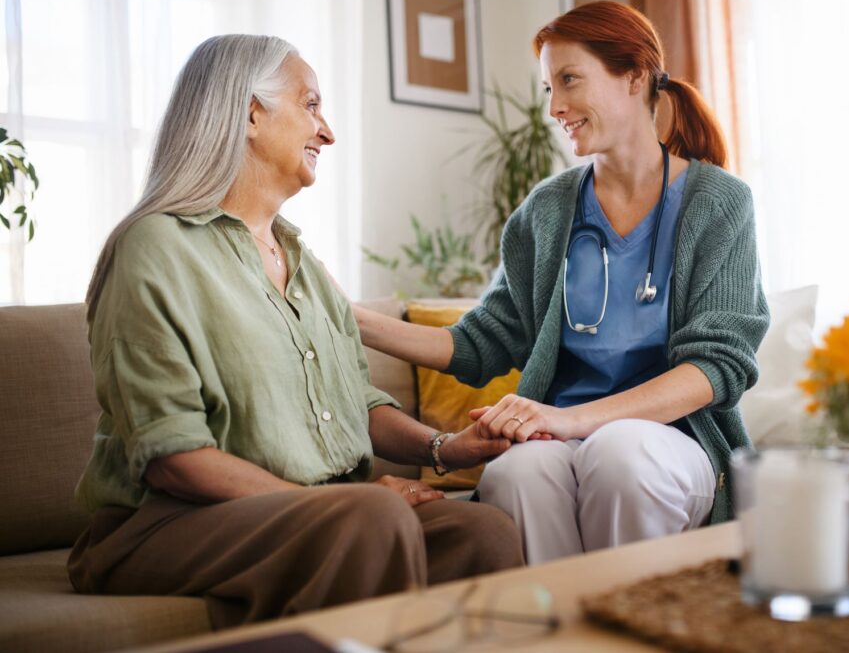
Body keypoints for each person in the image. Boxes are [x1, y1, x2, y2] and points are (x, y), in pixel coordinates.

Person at [67, 34, 523, 629]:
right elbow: (173, 458)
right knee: (369, 520)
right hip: (169, 520)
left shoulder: (301, 259)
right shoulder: (154, 249)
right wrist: (332, 502)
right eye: (311, 105)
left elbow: (355, 402)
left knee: (480, 531)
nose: (327, 131)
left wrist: (444, 449)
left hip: (320, 512)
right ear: (251, 114)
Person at [355, 1, 769, 564]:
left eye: (569, 80)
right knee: (519, 471)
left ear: (634, 76)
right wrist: (350, 319)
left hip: (672, 445)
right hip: (559, 437)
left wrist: (571, 420)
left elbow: (718, 365)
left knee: (621, 453)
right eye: (549, 88)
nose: (555, 107)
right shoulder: (547, 211)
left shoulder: (718, 203)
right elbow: (481, 342)